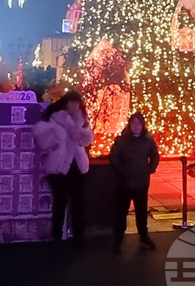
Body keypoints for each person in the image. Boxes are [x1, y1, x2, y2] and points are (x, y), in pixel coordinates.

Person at [32, 90, 93, 246]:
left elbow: (88, 138)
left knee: (78, 202)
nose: (74, 107)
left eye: (76, 104)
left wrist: (83, 135)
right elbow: (40, 134)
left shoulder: (81, 120)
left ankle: (79, 234)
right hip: (59, 167)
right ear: (66, 104)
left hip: (77, 166)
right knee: (60, 202)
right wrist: (51, 143)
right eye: (71, 104)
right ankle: (57, 235)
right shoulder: (55, 118)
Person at [108, 112, 159, 251]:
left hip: (141, 181)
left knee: (141, 211)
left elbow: (154, 155)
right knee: (121, 211)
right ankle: (118, 237)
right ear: (130, 125)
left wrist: (150, 169)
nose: (136, 127)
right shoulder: (122, 140)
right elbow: (114, 158)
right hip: (124, 182)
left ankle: (143, 235)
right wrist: (123, 171)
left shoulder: (148, 140)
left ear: (142, 125)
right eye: (133, 123)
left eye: (138, 124)